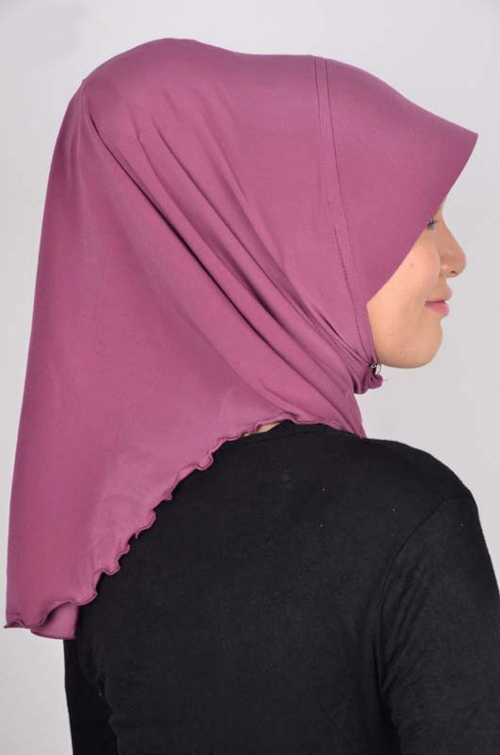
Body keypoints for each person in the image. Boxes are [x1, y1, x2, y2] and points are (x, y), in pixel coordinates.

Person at [5, 38, 500, 754]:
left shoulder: (111, 550)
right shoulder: (410, 513)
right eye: (423, 219)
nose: (456, 256)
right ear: (297, 233)